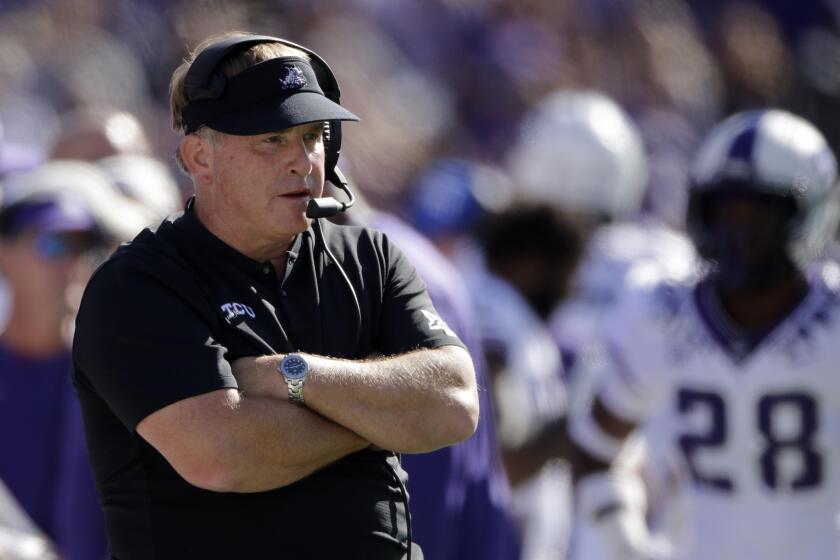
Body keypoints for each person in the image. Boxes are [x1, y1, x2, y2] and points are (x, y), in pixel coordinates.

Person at [71, 32, 478, 560]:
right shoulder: (137, 286)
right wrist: (378, 415)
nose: (302, 161)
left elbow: (454, 404)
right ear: (200, 157)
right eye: (271, 140)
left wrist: (295, 376)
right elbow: (224, 455)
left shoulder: (371, 257)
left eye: (312, 136)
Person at [568, 109, 840, 559]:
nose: (740, 235)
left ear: (809, 214)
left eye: (761, 216)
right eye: (726, 211)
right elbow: (597, 448)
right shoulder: (658, 308)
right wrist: (625, 542)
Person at [0, 186, 109, 560]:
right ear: (4, 256)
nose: (71, 265)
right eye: (53, 245)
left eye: (83, 249)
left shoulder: (115, 375)